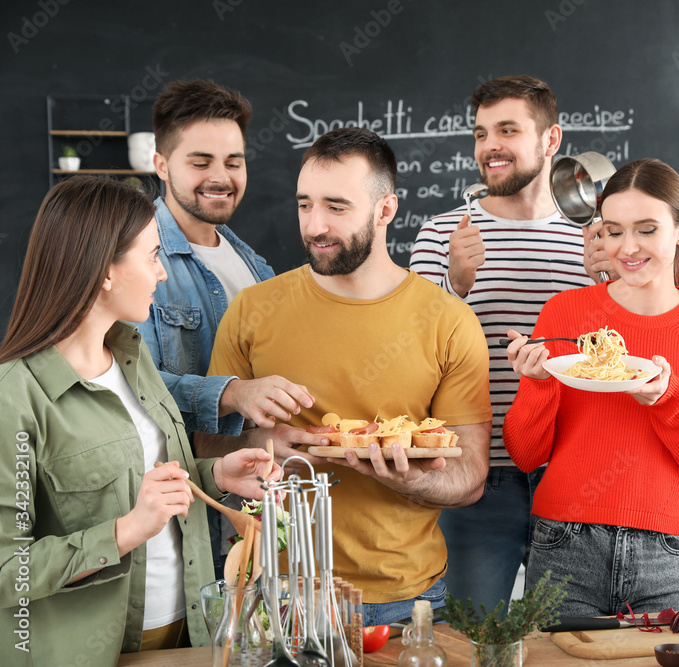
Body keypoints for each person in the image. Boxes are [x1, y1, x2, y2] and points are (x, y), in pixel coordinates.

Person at [200, 127, 493, 625]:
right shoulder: (252, 310)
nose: (315, 226)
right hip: (277, 592)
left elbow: (469, 478)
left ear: (385, 210)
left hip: (405, 601)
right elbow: (206, 449)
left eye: (336, 207)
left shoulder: (449, 321)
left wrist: (408, 480)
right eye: (305, 205)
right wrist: (262, 441)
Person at [0, 176, 279, 667]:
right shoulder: (14, 397)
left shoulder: (133, 358)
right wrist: (125, 532)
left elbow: (140, 479)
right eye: (153, 255)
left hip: (187, 632)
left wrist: (211, 475)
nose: (163, 273)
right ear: (105, 270)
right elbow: (6, 570)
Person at [503, 159, 679, 615]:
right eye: (614, 231)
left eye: (647, 229)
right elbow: (526, 454)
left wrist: (665, 399)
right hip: (562, 543)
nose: (628, 248)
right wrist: (537, 384)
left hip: (666, 555)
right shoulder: (565, 314)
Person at [410, 75, 604, 613]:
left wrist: (608, 285)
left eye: (507, 130)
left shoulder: (595, 238)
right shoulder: (441, 235)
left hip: (574, 471)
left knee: (570, 637)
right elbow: (411, 358)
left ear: (551, 140)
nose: (489, 145)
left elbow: (623, 351)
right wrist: (455, 285)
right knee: (473, 635)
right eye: (480, 133)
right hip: (476, 477)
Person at [139, 79, 321, 579]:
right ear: (161, 165)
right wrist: (234, 395)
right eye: (200, 162)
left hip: (249, 508)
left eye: (233, 162)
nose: (220, 177)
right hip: (175, 516)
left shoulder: (254, 264)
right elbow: (133, 389)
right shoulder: (136, 260)